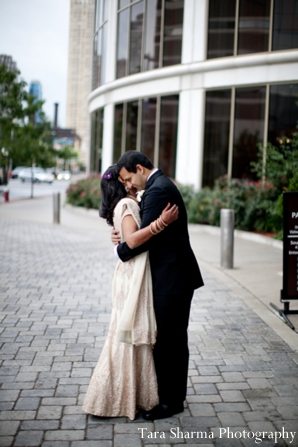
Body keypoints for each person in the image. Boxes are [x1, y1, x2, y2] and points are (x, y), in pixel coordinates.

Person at [112, 150, 204, 421]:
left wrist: (121, 248)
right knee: (170, 338)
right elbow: (142, 230)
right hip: (170, 276)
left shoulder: (158, 190)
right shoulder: (158, 187)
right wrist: (122, 234)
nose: (129, 185)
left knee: (170, 340)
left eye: (129, 178)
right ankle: (172, 395)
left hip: (172, 277)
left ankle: (171, 402)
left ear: (139, 168)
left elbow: (146, 237)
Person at [82, 164, 178, 421]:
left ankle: (135, 394)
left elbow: (127, 238)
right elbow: (133, 241)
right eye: (126, 181)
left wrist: (120, 242)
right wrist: (160, 223)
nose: (132, 184)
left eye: (130, 178)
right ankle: (116, 395)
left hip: (136, 273)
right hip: (132, 274)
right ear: (122, 184)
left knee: (131, 333)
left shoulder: (130, 202)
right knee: (127, 335)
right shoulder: (126, 205)